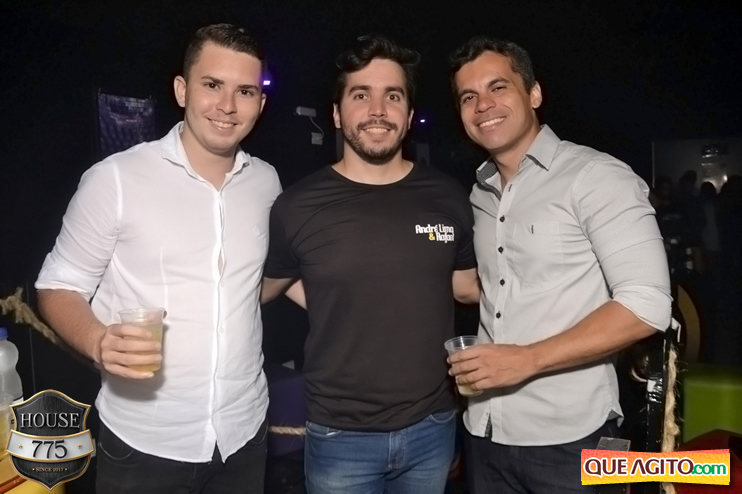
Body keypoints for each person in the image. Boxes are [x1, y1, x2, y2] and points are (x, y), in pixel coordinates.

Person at [35, 23, 280, 494]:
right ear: (182, 89)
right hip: (144, 443)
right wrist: (98, 341)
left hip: (244, 435)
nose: (228, 105)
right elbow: (58, 284)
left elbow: (251, 283)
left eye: (245, 91)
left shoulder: (266, 183)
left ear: (260, 103)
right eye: (212, 85)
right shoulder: (115, 179)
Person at [447, 36, 672, 493]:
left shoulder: (596, 176)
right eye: (468, 97)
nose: (483, 105)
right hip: (484, 430)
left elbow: (647, 305)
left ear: (533, 93)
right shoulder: (478, 194)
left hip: (574, 436)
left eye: (498, 87)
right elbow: (485, 286)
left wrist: (527, 360)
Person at [261, 35, 479, 493]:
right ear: (337, 114)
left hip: (433, 427)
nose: (378, 110)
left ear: (409, 114)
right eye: (361, 95)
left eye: (393, 96)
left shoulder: (448, 197)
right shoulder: (297, 206)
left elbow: (465, 287)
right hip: (340, 436)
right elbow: (265, 288)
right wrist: (327, 295)